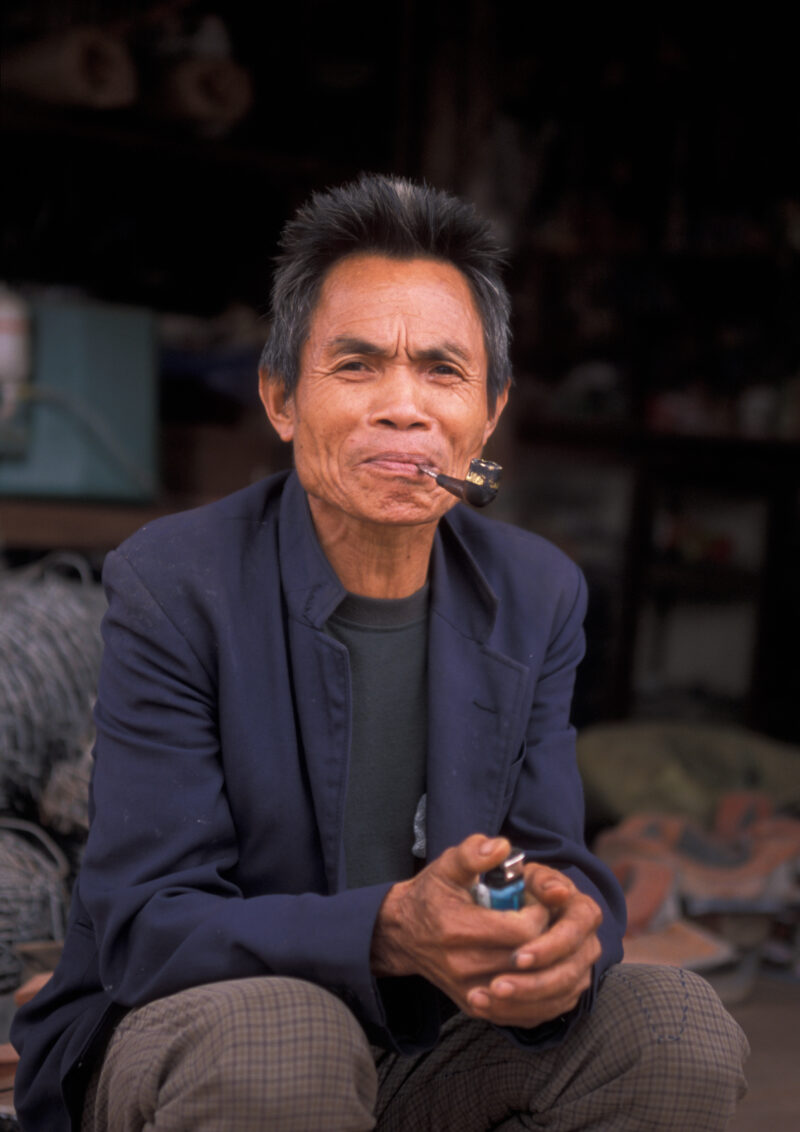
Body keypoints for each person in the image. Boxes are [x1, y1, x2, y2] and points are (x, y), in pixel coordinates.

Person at [12, 175, 748, 1131]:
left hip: (425, 1049)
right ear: (281, 398)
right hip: (196, 1034)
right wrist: (389, 930)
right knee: (289, 1041)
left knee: (676, 1024)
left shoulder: (537, 592)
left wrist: (565, 937)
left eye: (443, 372)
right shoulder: (176, 580)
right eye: (356, 366)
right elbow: (146, 928)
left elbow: (551, 856)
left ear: (488, 415)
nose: (404, 408)